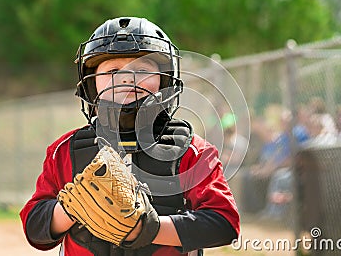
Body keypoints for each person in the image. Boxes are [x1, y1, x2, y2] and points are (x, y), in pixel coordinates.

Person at [19, 17, 240, 256]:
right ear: (91, 85)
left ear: (165, 81)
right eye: (113, 70)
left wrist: (149, 229)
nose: (126, 78)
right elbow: (35, 230)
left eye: (142, 70)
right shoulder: (65, 150)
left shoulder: (192, 151)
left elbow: (224, 223)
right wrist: (73, 209)